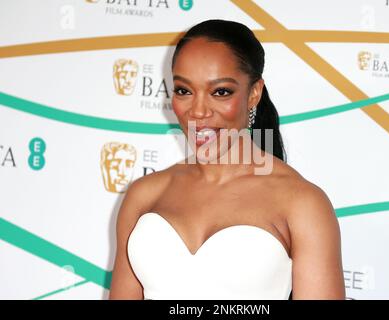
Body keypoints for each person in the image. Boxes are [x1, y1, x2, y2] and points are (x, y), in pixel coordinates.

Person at [109, 19, 345, 300]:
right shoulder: (144, 194)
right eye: (184, 90)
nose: (198, 111)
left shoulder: (302, 203)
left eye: (220, 92)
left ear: (253, 94)